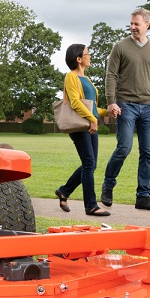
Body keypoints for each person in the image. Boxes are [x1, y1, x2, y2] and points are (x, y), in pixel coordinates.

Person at [100, 8, 150, 210]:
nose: (132, 27)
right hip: (125, 105)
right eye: (131, 23)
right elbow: (111, 75)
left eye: (136, 24)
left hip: (148, 106)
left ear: (147, 25)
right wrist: (111, 101)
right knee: (124, 148)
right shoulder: (120, 47)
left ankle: (143, 196)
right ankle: (108, 185)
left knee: (148, 152)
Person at [55, 44, 110, 217]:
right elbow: (76, 102)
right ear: (79, 59)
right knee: (89, 164)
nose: (90, 56)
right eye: (87, 54)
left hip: (90, 125)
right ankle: (91, 206)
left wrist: (107, 111)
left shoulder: (86, 79)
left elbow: (92, 107)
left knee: (90, 164)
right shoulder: (71, 77)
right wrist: (93, 119)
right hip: (80, 126)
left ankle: (64, 191)